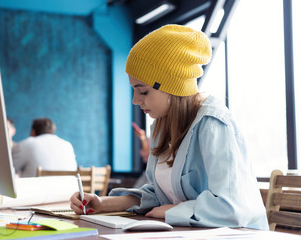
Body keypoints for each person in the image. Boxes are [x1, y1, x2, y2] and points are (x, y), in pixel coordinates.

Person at [70, 24, 268, 229]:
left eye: (143, 91)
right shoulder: (160, 127)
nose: (135, 101)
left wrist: (174, 210)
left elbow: (233, 207)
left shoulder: (213, 124)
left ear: (172, 87)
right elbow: (159, 195)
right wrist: (102, 203)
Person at [12, 117, 77, 177]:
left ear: (33, 131)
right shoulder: (68, 145)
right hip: (69, 189)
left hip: (35, 189)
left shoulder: (28, 143)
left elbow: (9, 170)